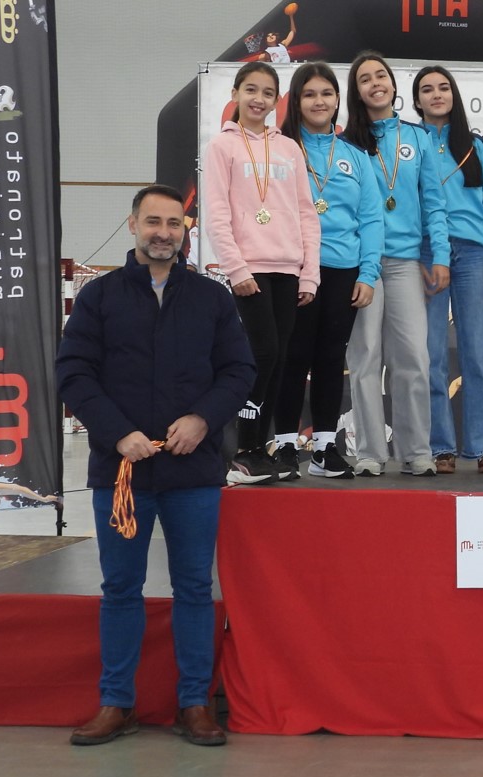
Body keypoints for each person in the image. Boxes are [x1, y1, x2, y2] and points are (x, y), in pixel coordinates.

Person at [56, 185, 256, 747]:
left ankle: (194, 704)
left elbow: (239, 371)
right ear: (133, 225)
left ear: (185, 229)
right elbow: (73, 372)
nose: (163, 232)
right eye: (153, 222)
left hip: (193, 476)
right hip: (120, 473)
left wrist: (202, 420)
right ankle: (116, 703)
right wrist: (117, 434)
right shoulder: (98, 297)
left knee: (194, 587)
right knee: (121, 588)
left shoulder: (212, 298)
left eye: (173, 223)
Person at [202, 62, 320, 484]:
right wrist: (236, 268)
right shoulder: (222, 147)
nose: (258, 99)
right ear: (235, 93)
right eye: (250, 90)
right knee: (262, 355)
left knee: (280, 360)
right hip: (249, 270)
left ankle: (258, 450)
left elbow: (306, 214)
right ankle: (241, 451)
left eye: (268, 93)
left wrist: (309, 273)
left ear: (276, 101)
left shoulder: (289, 148)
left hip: (288, 269)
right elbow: (217, 213)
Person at [272, 62, 385, 479]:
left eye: (326, 93)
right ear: (296, 101)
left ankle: (324, 449)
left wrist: (368, 274)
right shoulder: (279, 149)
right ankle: (285, 446)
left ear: (338, 100)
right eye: (309, 94)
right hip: (293, 267)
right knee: (292, 355)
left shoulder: (355, 155)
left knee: (330, 358)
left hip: (343, 269)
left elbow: (371, 218)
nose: (319, 102)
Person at [342, 51, 450, 477]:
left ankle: (416, 450)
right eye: (365, 79)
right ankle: (370, 451)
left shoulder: (417, 137)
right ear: (357, 91)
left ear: (392, 84)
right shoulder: (345, 143)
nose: (375, 84)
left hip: (405, 262)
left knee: (413, 358)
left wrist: (440, 255)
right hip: (360, 264)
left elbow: (434, 203)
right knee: (366, 356)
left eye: (381, 76)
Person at [413, 65, 483, 475]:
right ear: (416, 100)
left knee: (477, 354)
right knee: (431, 354)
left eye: (443, 87)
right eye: (427, 89)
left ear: (454, 95)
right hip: (426, 253)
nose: (436, 95)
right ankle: (440, 447)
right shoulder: (410, 143)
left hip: (472, 255)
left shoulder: (475, 145)